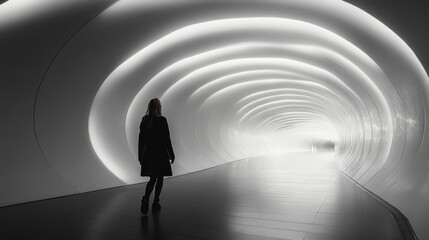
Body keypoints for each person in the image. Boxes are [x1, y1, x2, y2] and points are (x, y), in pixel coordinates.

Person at [138, 98, 175, 214]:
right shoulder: (162, 120)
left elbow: (141, 141)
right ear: (159, 107)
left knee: (152, 178)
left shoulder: (144, 120)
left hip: (148, 153)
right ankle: (156, 202)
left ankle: (145, 198)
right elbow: (166, 139)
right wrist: (171, 154)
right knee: (160, 178)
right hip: (160, 153)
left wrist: (140, 156)